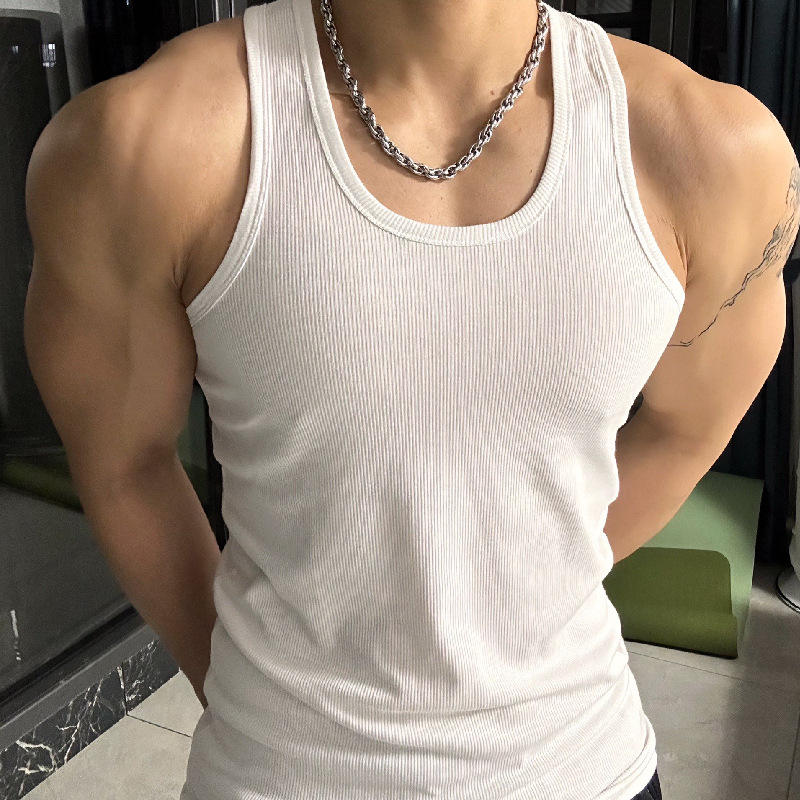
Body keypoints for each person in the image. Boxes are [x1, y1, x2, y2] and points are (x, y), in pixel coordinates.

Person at [23, 0, 798, 798]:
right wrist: (243, 687)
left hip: (584, 764)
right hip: (277, 774)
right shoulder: (137, 145)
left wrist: (524, 580)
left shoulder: (716, 154)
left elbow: (685, 429)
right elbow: (124, 464)